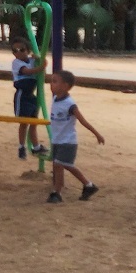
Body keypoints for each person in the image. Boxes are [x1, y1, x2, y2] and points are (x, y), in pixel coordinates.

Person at [45, 70, 104, 203]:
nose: (51, 84)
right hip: (57, 140)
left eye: (55, 81)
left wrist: (96, 134)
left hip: (68, 141)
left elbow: (82, 121)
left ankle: (58, 192)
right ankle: (87, 186)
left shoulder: (70, 104)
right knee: (60, 165)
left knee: (62, 164)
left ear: (65, 86)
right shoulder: (55, 98)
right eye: (51, 81)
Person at [11, 37, 43, 160]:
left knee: (34, 122)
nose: (18, 52)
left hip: (31, 95)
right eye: (15, 50)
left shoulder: (31, 60)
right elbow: (27, 71)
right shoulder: (16, 63)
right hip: (22, 94)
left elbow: (41, 60)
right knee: (24, 123)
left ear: (28, 50)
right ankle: (21, 146)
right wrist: (41, 67)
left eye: (22, 49)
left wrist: (39, 59)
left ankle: (36, 147)